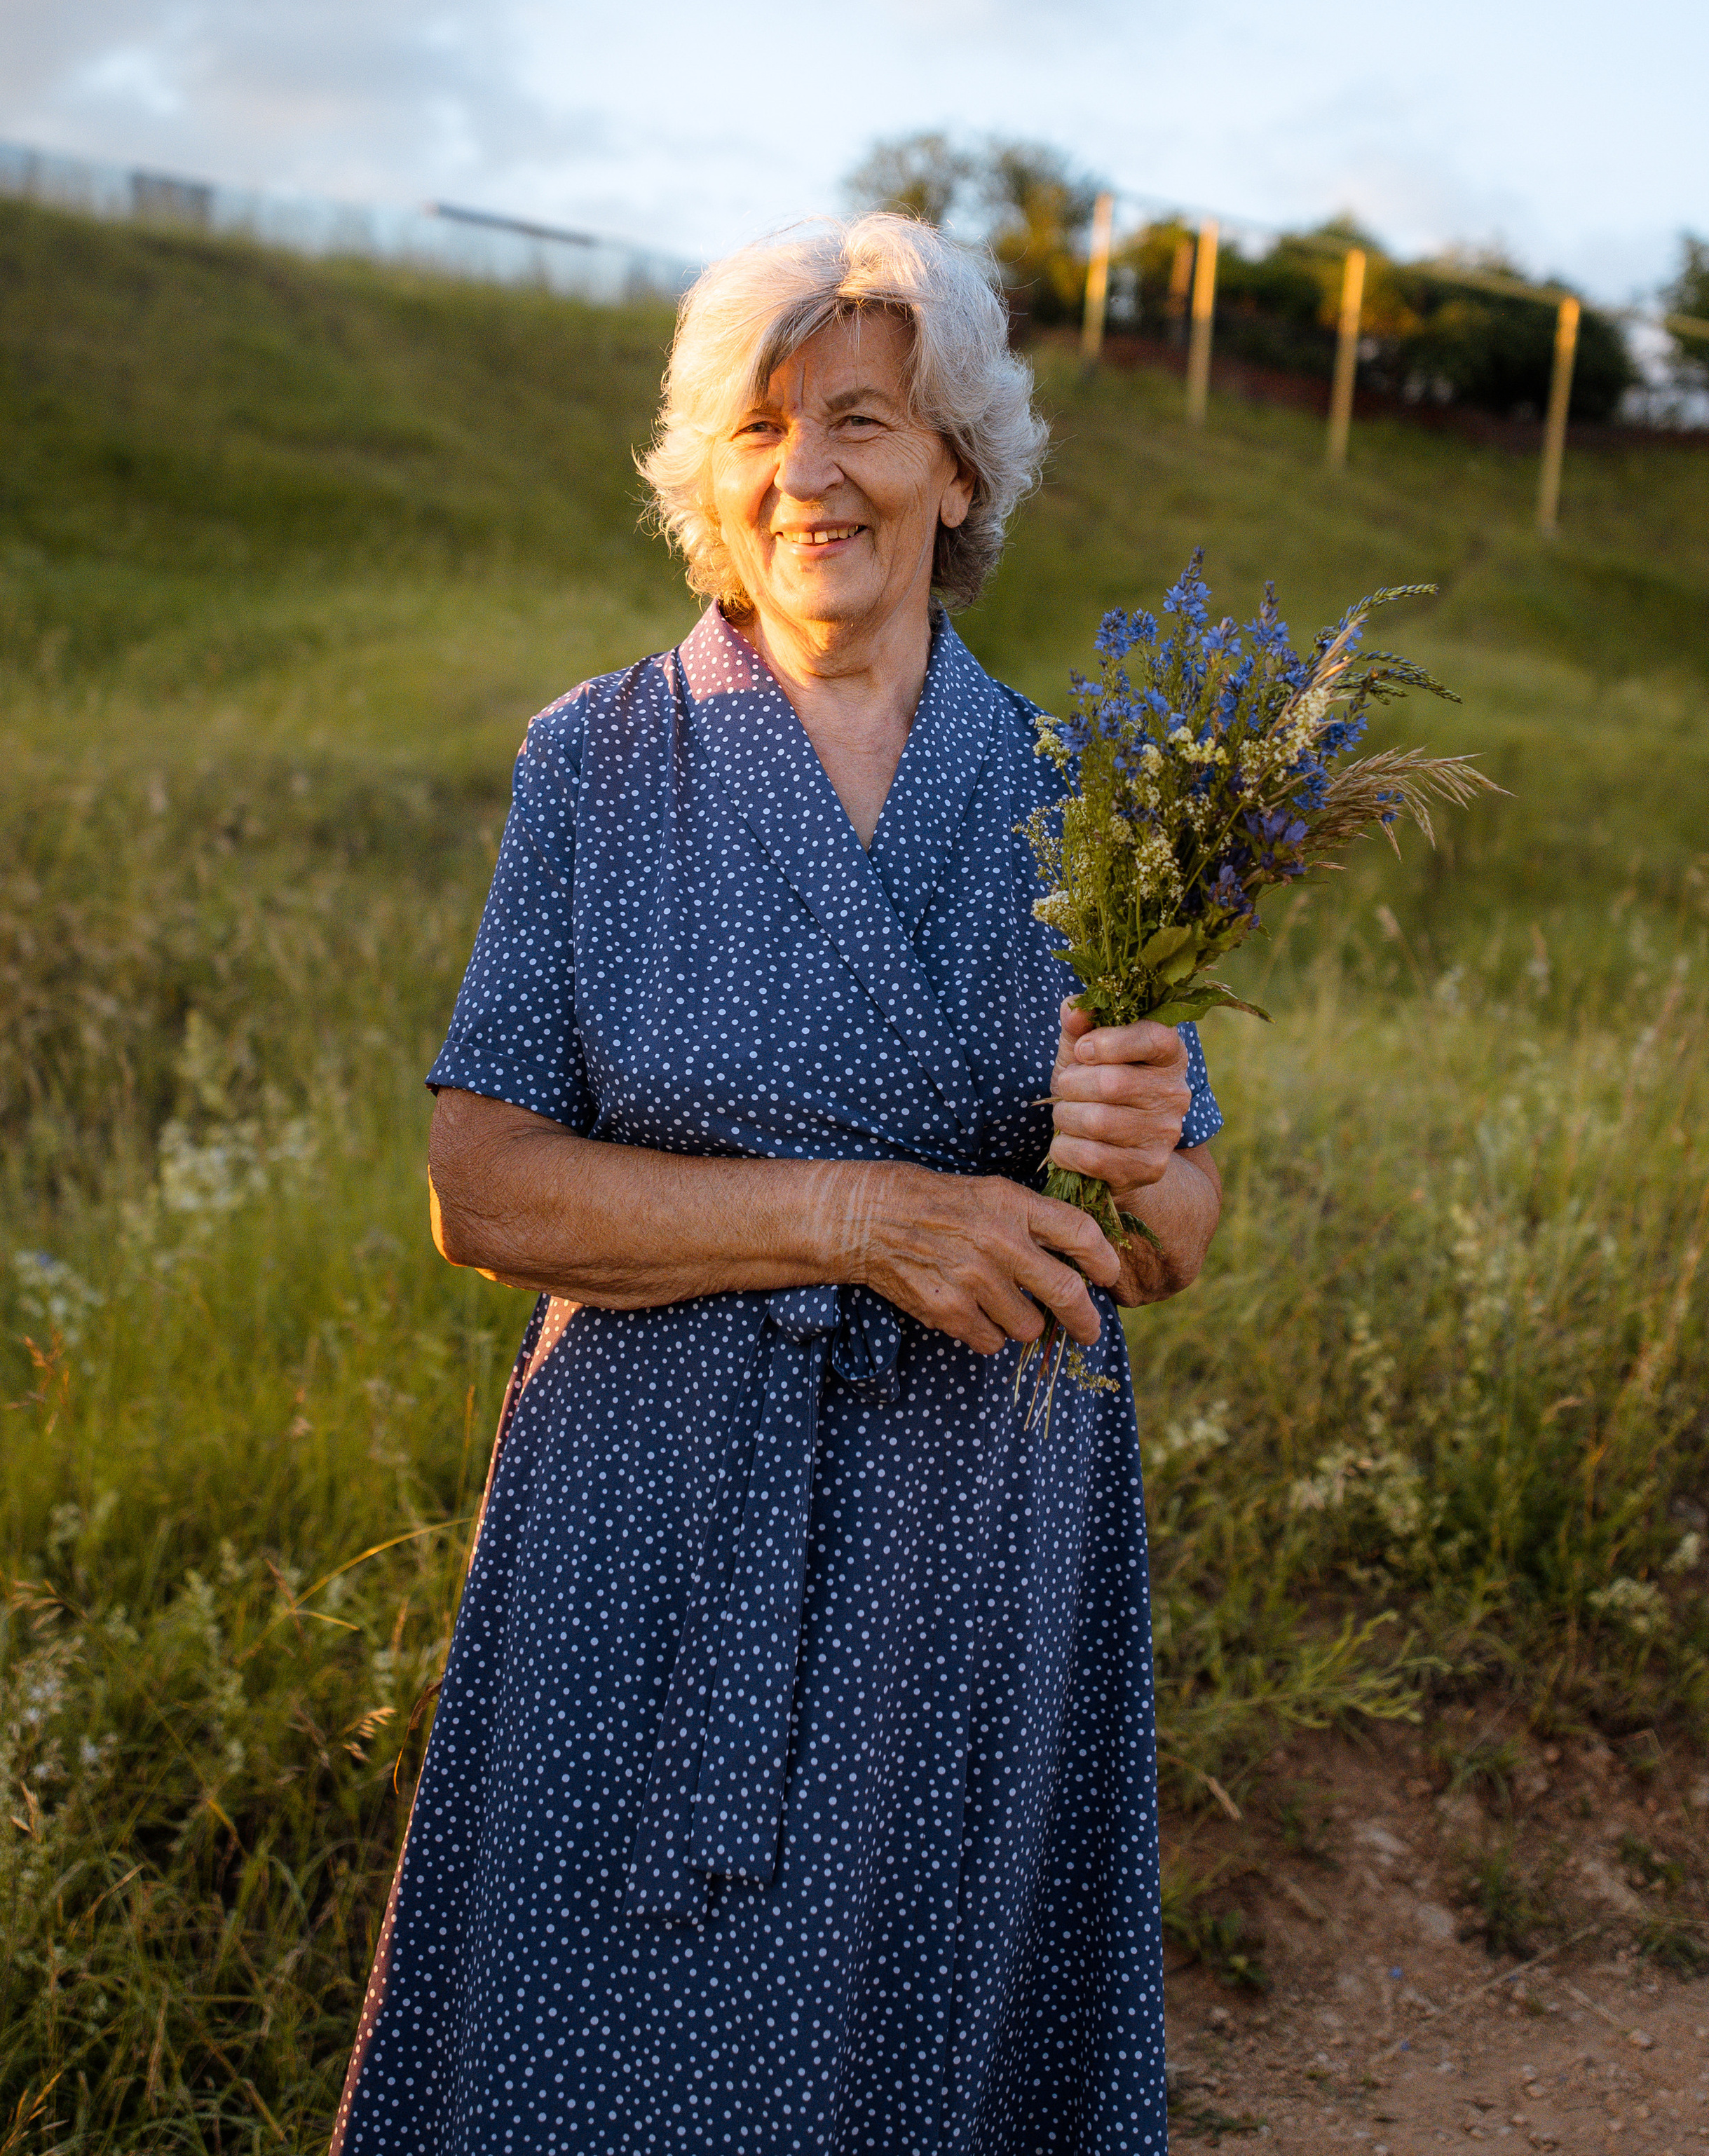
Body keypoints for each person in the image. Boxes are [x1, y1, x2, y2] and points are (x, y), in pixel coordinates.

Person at [332, 213, 1223, 2155]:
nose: (808, 471)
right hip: (642, 1529)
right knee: (598, 2064)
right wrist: (855, 1215)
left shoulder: (1083, 794)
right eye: (761, 427)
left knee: (910, 2074)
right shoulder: (595, 764)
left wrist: (1149, 1164)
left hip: (974, 1548)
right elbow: (476, 1186)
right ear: (709, 482)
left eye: (866, 419)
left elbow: (1169, 1240)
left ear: (956, 468)